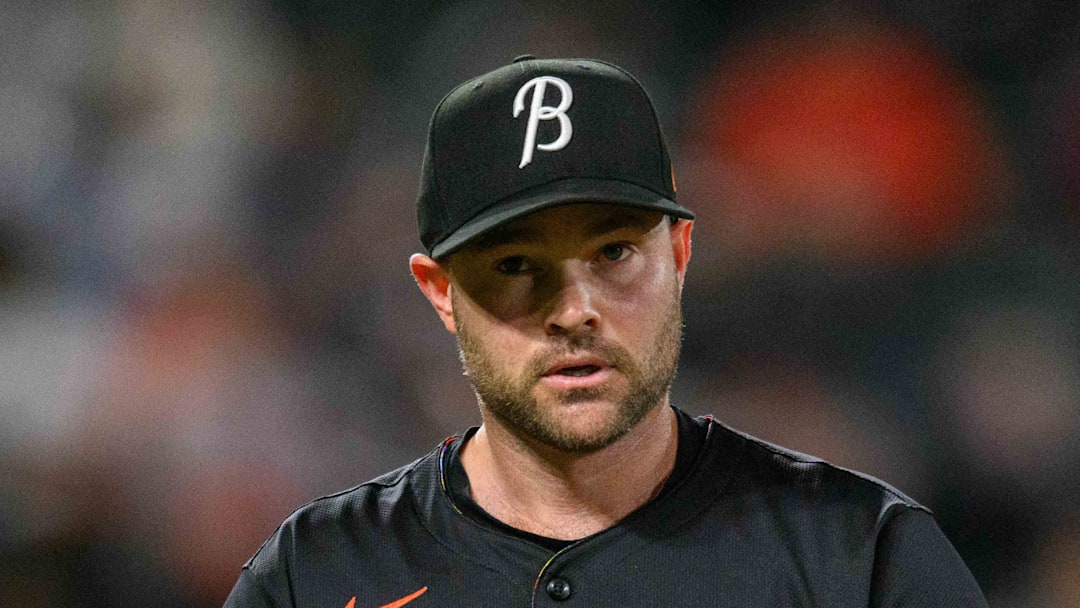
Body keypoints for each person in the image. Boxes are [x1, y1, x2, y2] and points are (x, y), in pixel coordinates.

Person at [224, 56, 987, 607]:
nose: (574, 309)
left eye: (614, 252)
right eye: (518, 262)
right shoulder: (317, 576)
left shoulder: (859, 560)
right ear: (441, 293)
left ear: (680, 257)